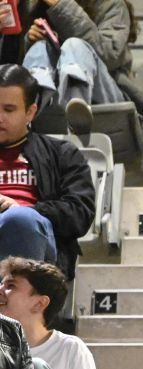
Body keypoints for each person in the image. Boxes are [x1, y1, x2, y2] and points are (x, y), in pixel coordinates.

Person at [0, 64, 95, 273]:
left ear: (30, 112)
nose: (0, 117)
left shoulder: (62, 154)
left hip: (35, 246)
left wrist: (26, 210)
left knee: (19, 221)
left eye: (8, 109)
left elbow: (80, 213)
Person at [22, 0, 143, 127]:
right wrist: (31, 39)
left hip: (106, 97)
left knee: (74, 45)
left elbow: (108, 56)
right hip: (54, 102)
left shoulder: (113, 5)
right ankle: (31, 103)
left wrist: (62, 7)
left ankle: (77, 107)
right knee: (39, 47)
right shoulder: (41, 7)